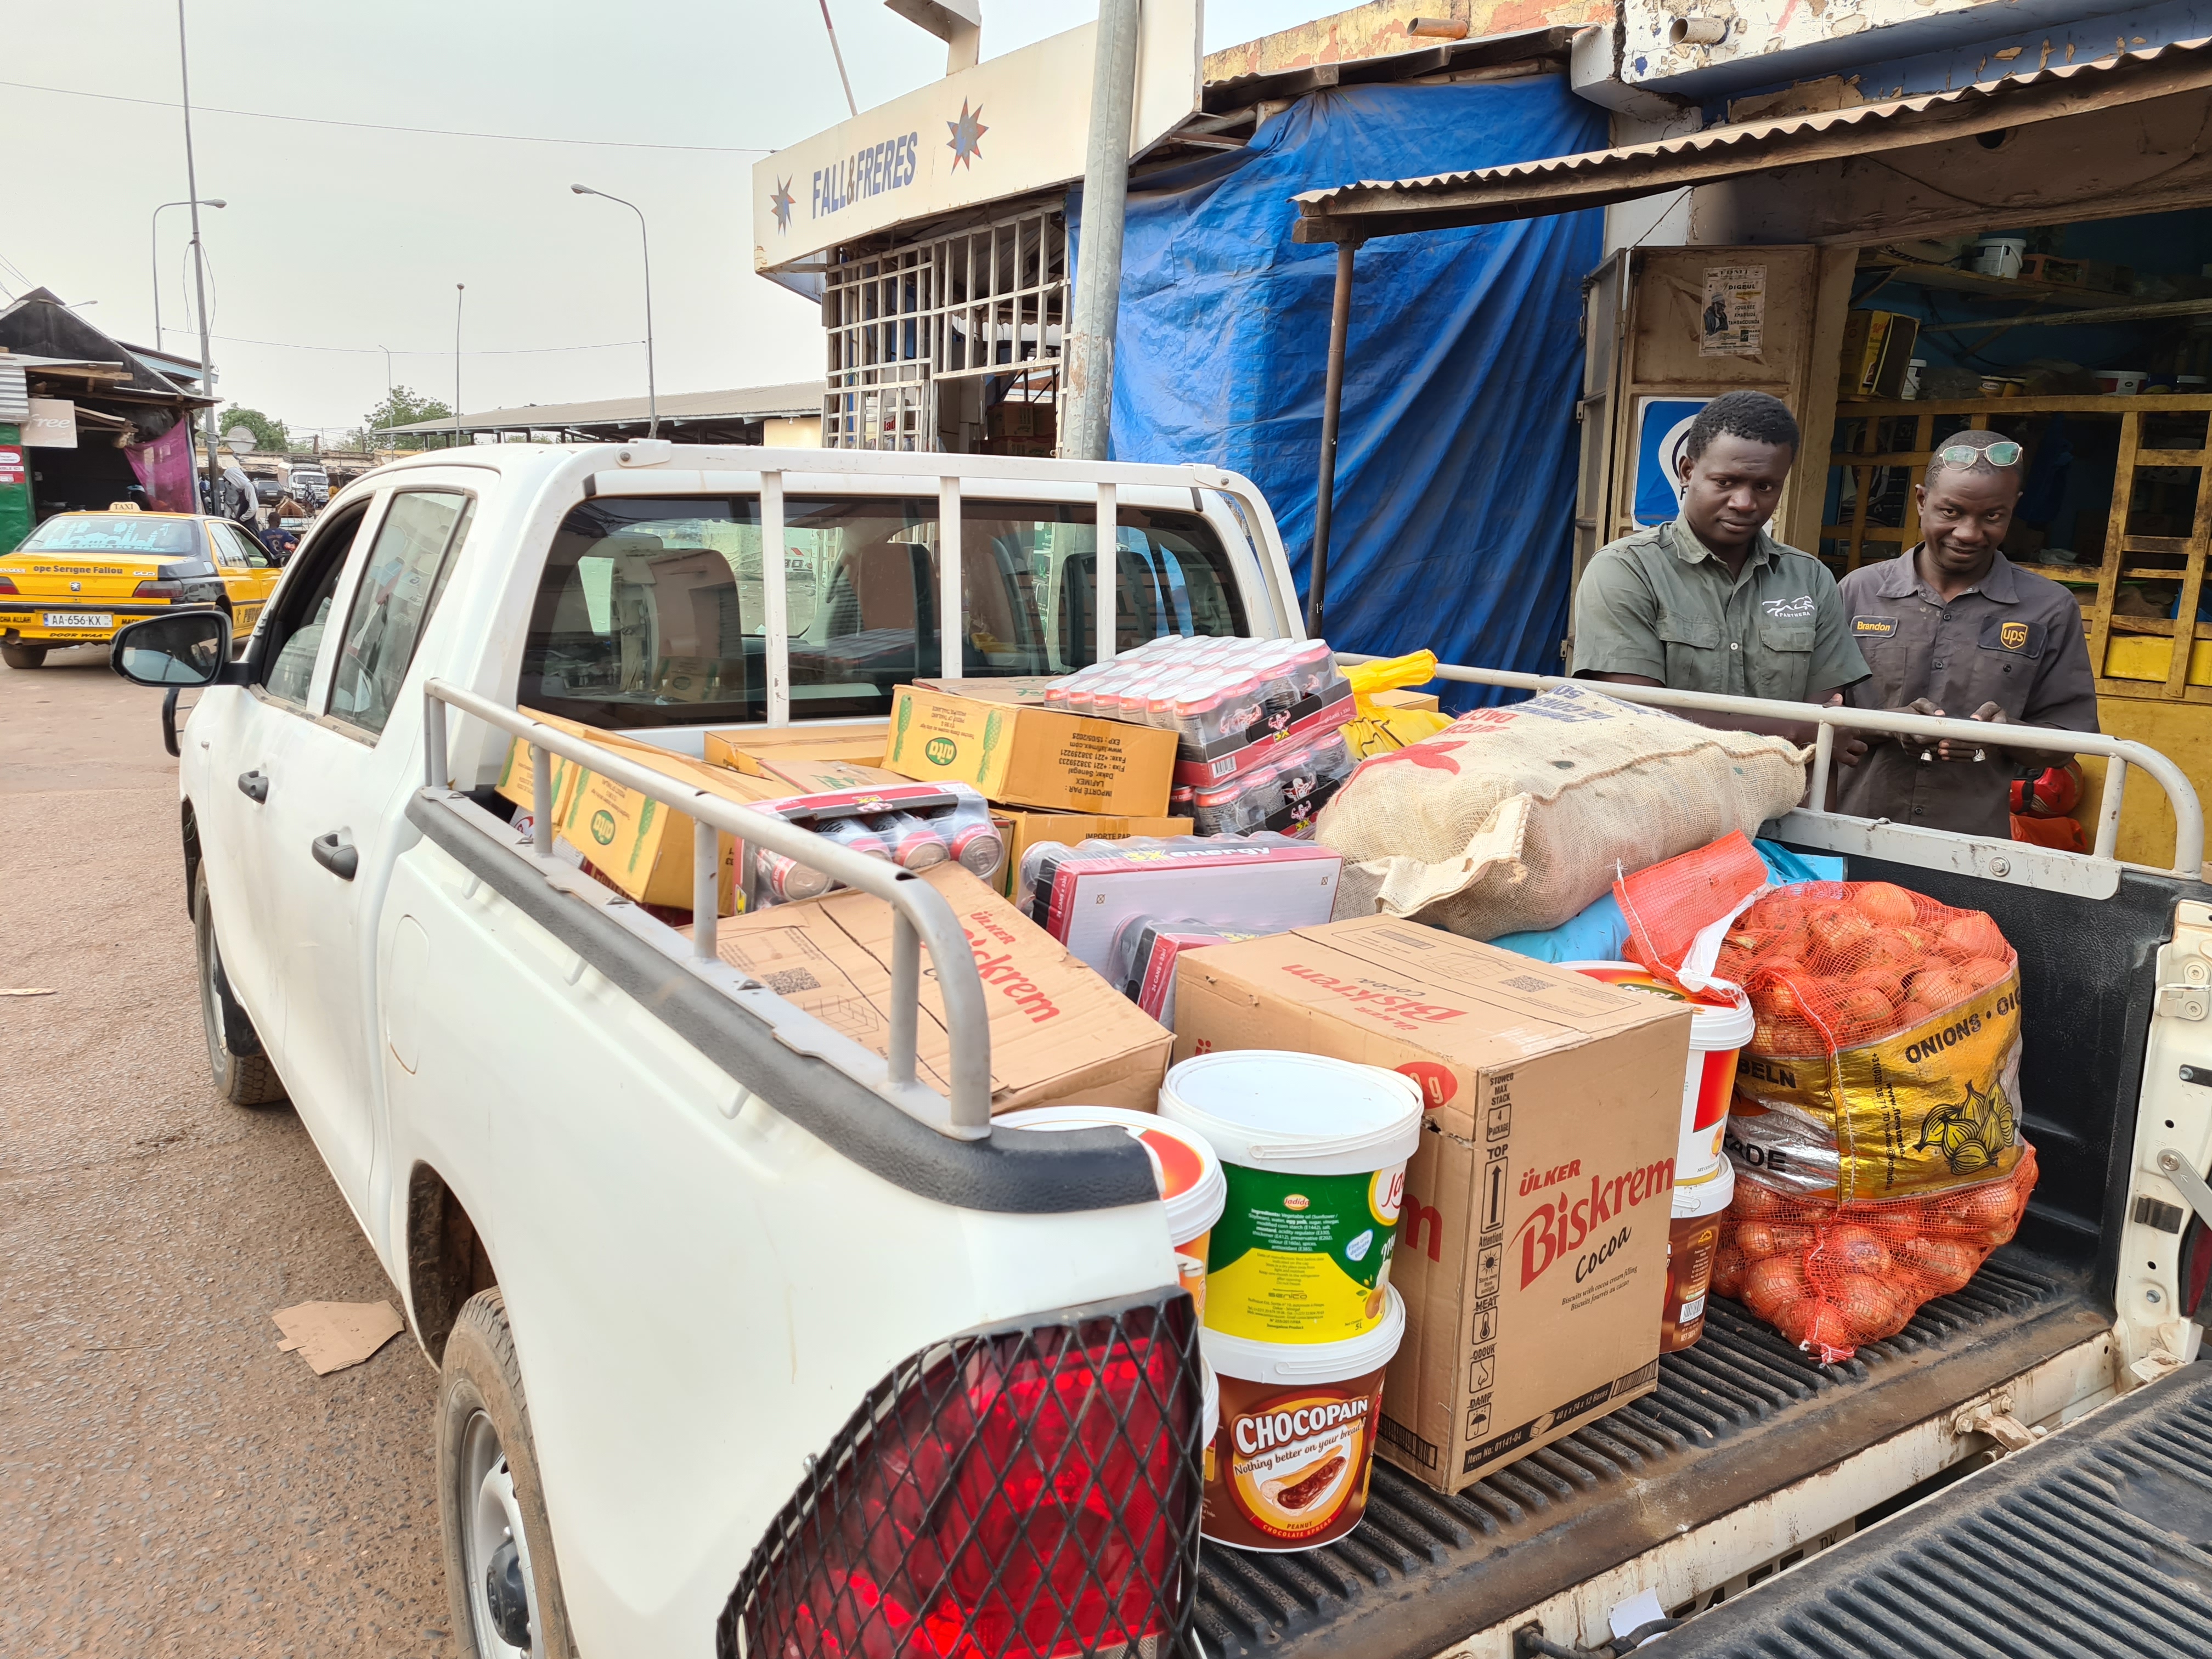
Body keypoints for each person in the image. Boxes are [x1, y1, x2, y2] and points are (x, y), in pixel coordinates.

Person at [1835, 430, 2098, 837]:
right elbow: (1813, 718)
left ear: (2014, 509)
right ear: (1922, 501)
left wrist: (1996, 736)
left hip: (1971, 846)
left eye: (1993, 516)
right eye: (1951, 512)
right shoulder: (1859, 591)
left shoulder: (2049, 608)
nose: (1970, 533)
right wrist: (1890, 724)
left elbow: (2066, 744)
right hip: (1852, 832)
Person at [1572, 391, 1869, 748]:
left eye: (1765, 486)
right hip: (1657, 795)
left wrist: (1812, 744)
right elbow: (1641, 716)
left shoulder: (1810, 579)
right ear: (1687, 471)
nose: (1744, 503)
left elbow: (1825, 731)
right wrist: (1793, 730)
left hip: (1779, 799)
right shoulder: (1626, 570)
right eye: (1725, 482)